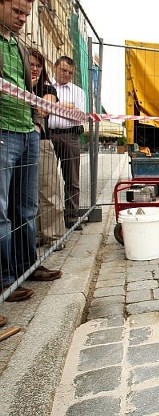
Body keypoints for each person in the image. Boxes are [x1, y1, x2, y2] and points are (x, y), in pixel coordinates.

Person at [1, 0, 63, 307]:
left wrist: (38, 115)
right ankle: (4, 280)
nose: (24, 18)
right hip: (2, 131)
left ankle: (27, 266)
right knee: (1, 211)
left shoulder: (20, 48)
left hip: (26, 131)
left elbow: (35, 89)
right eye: (17, 12)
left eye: (26, 13)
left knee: (26, 207)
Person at [31, 48, 65, 250]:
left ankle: (54, 236)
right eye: (31, 64)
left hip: (42, 142)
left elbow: (43, 109)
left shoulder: (47, 89)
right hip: (17, 140)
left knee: (49, 190)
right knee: (26, 195)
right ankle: (33, 236)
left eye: (38, 65)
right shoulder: (15, 84)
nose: (34, 68)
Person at [49, 55, 86, 230]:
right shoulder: (46, 86)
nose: (66, 74)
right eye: (63, 70)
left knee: (72, 179)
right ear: (55, 67)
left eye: (70, 72)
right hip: (48, 135)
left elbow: (79, 116)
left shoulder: (78, 92)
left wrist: (57, 105)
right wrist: (68, 106)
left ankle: (71, 217)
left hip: (70, 136)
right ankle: (50, 220)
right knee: (47, 179)